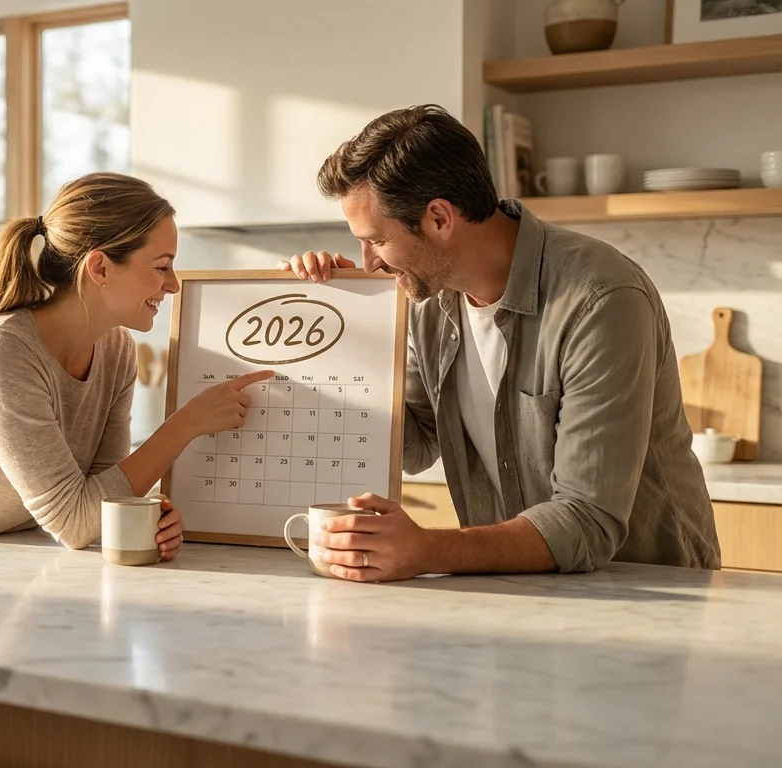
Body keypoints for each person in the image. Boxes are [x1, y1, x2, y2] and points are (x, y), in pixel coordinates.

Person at [279, 104, 720, 582]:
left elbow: (587, 520)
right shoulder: (428, 302)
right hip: (516, 584)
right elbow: (416, 444)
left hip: (647, 587)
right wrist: (345, 323)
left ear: (439, 218)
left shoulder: (600, 298)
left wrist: (427, 549)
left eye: (377, 241)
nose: (368, 263)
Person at [0, 171, 273, 558]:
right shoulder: (1, 350)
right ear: (100, 268)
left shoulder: (117, 351)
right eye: (162, 266)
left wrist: (146, 513)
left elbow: (100, 497)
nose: (173, 284)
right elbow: (75, 521)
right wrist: (186, 424)